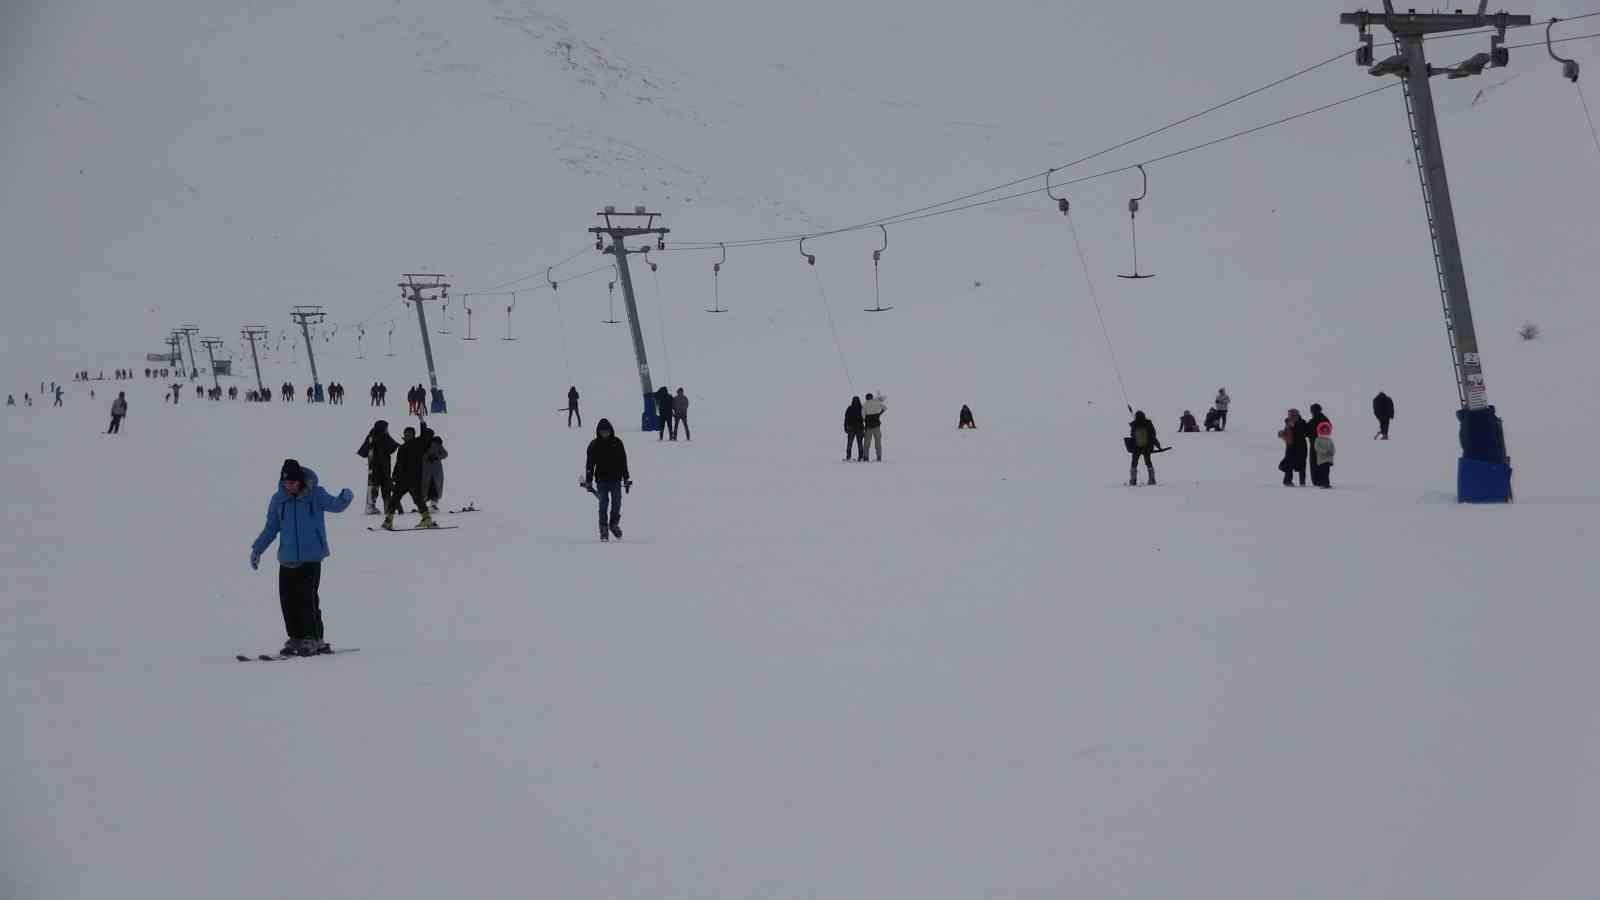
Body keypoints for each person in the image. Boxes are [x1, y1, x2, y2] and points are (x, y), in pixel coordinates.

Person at [249, 459, 354, 656]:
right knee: (288, 601)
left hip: (311, 557)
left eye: (292, 482)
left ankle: (313, 638)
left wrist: (345, 497)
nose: (289, 485)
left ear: (300, 481)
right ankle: (296, 638)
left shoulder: (316, 494)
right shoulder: (278, 500)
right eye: (286, 482)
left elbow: (335, 505)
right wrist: (257, 549)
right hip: (287, 558)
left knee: (307, 600)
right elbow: (271, 528)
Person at [582, 418, 631, 541]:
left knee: (617, 503)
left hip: (615, 480)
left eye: (607, 431)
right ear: (598, 432)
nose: (605, 433)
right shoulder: (594, 445)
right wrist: (589, 480)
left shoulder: (617, 443)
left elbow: (623, 462)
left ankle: (613, 524)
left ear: (611, 430)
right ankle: (603, 528)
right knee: (603, 504)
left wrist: (626, 478)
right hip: (602, 480)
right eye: (602, 431)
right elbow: (590, 464)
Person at [385, 423, 435, 530]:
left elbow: (424, 436)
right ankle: (388, 521)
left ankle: (427, 519)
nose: (407, 435)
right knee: (394, 499)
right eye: (406, 433)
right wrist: (394, 475)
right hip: (401, 479)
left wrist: (422, 422)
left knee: (418, 500)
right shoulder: (402, 447)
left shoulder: (418, 444)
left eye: (410, 434)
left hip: (414, 478)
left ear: (413, 435)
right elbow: (398, 463)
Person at [357, 420, 399, 515]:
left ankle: (381, 507)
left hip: (378, 467)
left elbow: (363, 452)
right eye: (386, 428)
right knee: (377, 487)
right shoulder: (379, 437)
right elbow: (391, 448)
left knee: (382, 487)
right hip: (378, 467)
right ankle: (374, 507)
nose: (387, 430)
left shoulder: (375, 436)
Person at [1126, 410, 1162, 486]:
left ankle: (1133, 480)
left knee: (1134, 463)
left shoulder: (1134, 425)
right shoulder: (1148, 424)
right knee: (1148, 462)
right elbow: (1153, 436)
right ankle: (1152, 480)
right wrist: (1158, 446)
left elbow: (1132, 435)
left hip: (1136, 448)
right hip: (1147, 447)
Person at [1277, 408, 1309, 486]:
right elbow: (1287, 433)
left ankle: (1302, 482)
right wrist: (1282, 433)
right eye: (1290, 414)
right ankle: (1287, 481)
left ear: (1297, 414)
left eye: (1292, 414)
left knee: (1302, 464)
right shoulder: (1288, 423)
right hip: (1290, 446)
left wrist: (1295, 427)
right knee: (1288, 463)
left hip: (1301, 446)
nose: (1291, 416)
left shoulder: (1302, 422)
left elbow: (1305, 432)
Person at [1307, 403, 1331, 486]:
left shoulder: (1313, 421)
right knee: (1323, 463)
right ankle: (1323, 481)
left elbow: (1306, 432)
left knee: (1317, 463)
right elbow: (1329, 429)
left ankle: (1319, 481)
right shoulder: (1325, 419)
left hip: (1316, 444)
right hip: (1323, 443)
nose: (1312, 412)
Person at [422, 432, 448, 511]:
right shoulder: (422, 444)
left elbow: (445, 454)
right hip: (426, 471)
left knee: (435, 488)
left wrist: (436, 457)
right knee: (425, 488)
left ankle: (433, 505)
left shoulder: (437, 443)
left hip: (436, 471)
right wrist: (426, 457)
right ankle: (423, 506)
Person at [861, 392, 886, 461]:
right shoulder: (877, 402)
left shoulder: (864, 404)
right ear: (872, 397)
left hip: (868, 427)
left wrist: (866, 418)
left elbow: (863, 416)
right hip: (877, 426)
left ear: (866, 398)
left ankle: (866, 457)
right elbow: (885, 408)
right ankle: (879, 457)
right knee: (878, 442)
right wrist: (879, 414)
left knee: (867, 443)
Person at [1312, 421, 1336, 489]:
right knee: (1323, 471)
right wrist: (1324, 451)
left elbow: (1333, 448)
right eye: (1324, 430)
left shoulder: (1329, 440)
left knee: (1327, 471)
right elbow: (1317, 448)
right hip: (1322, 459)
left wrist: (1332, 452)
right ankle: (1323, 483)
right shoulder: (1318, 439)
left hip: (1328, 459)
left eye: (1326, 430)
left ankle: (1326, 483)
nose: (1325, 431)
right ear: (1321, 430)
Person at [844, 396, 864, 461]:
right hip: (857, 428)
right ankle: (859, 457)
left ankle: (849, 457)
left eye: (856, 400)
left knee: (851, 443)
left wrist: (845, 427)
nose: (855, 402)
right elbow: (846, 419)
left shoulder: (850, 408)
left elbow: (846, 419)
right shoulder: (861, 408)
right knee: (857, 444)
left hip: (854, 428)